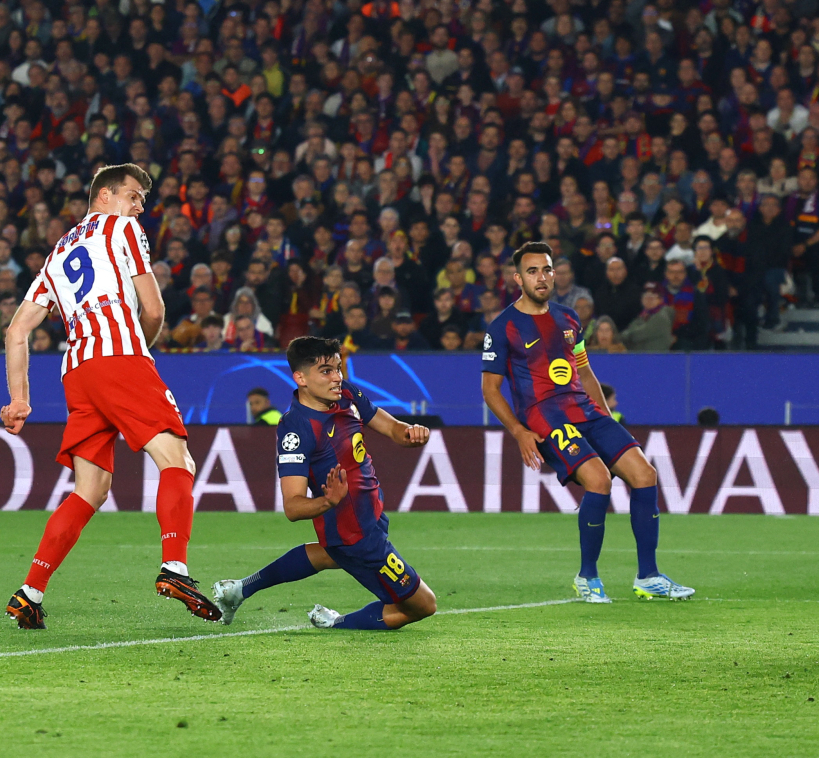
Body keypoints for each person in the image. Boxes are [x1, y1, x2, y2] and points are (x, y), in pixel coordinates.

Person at [4, 163, 218, 629]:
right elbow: (154, 308)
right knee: (178, 460)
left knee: (90, 489)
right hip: (119, 357)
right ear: (104, 195)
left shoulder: (57, 255)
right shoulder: (124, 227)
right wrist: (139, 347)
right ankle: (175, 569)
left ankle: (30, 590)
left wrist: (19, 398)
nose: (141, 206)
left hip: (77, 372)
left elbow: (17, 330)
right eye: (134, 195)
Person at [481, 241, 693, 603]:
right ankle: (587, 576)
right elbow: (490, 389)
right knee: (598, 480)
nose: (542, 277)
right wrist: (519, 432)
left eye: (546, 269)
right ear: (518, 278)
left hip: (586, 410)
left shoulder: (568, 318)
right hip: (545, 417)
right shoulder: (502, 328)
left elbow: (584, 371)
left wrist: (609, 424)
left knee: (645, 474)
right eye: (532, 271)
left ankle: (649, 577)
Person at [209, 337, 436, 630]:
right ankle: (336, 622)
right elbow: (292, 506)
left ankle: (238, 590)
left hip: (370, 515)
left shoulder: (348, 395)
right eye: (327, 371)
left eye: (338, 369)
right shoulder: (297, 428)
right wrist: (328, 501)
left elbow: (392, 428)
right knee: (422, 605)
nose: (337, 378)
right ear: (300, 378)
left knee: (328, 555)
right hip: (355, 534)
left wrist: (412, 433)